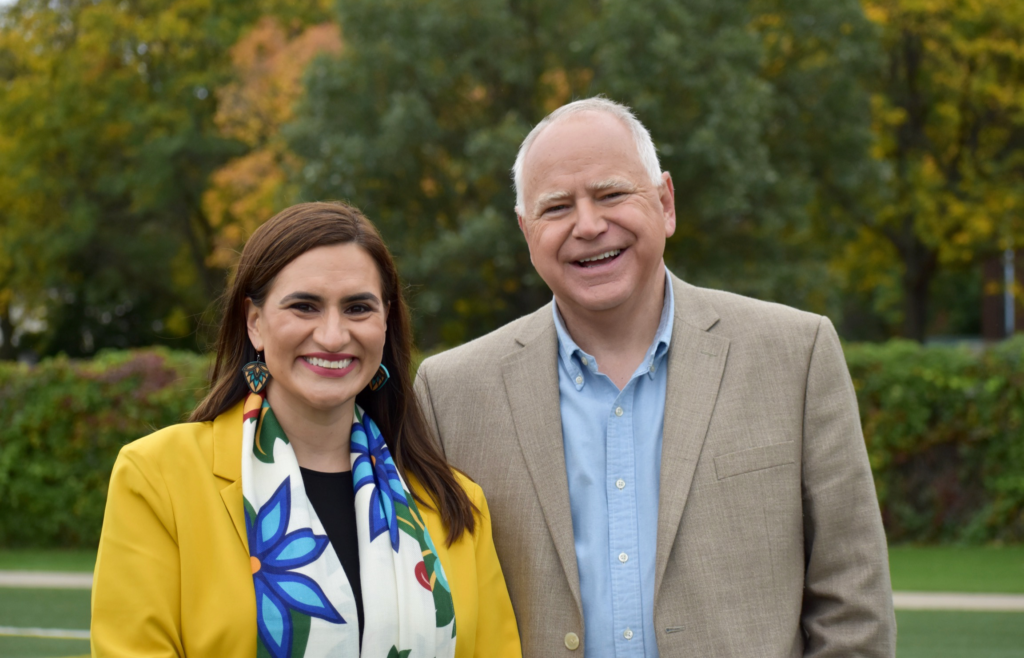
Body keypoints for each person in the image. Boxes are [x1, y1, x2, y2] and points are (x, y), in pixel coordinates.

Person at [414, 98, 896, 656]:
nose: (589, 225)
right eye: (556, 207)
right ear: (527, 232)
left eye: (612, 194)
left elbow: (853, 600)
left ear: (665, 203)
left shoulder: (796, 355)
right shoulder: (451, 392)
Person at [92, 202, 521, 658]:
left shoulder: (455, 502)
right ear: (254, 322)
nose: (333, 336)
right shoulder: (156, 477)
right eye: (304, 306)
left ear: (385, 322)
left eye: (358, 307)